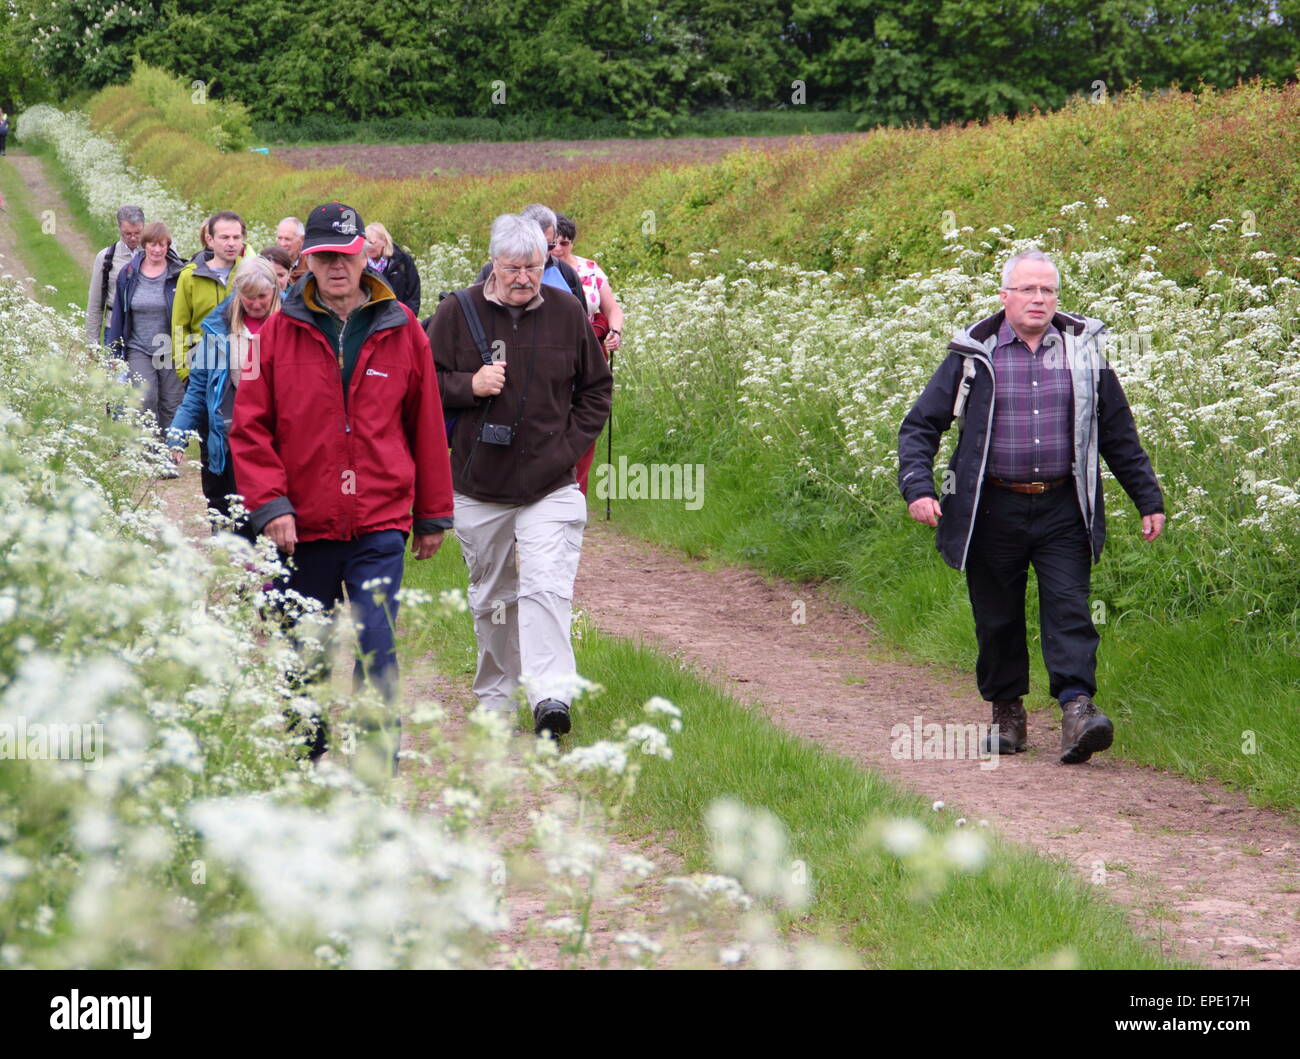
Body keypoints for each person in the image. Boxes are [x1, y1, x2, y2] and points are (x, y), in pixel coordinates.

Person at [898, 250, 1165, 764]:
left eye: (1047, 290)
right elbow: (921, 426)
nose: (1038, 299)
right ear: (1005, 297)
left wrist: (1146, 497)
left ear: (1056, 297)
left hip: (1063, 505)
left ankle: (1077, 711)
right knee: (996, 617)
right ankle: (1007, 714)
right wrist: (919, 487)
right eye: (1027, 290)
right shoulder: (973, 354)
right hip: (989, 507)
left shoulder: (1084, 352)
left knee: (1069, 607)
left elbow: (1117, 432)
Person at [230, 201, 454, 763]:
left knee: (377, 645)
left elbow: (425, 425)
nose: (337, 267)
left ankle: (379, 758)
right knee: (306, 647)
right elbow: (250, 426)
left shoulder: (403, 330)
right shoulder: (278, 333)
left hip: (379, 520)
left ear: (364, 257)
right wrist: (272, 504)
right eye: (325, 256)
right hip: (302, 525)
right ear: (307, 260)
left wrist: (430, 514)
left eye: (347, 256)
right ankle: (308, 751)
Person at [427, 213, 612, 739]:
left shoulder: (567, 311)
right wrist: (470, 385)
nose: (524, 278)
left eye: (534, 266)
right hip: (480, 486)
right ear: (494, 264)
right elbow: (423, 385)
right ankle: (495, 697)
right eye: (513, 268)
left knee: (546, 586)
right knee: (493, 597)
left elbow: (596, 389)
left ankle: (551, 696)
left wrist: (568, 448)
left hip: (550, 485)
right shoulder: (455, 314)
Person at [168, 257, 281, 538]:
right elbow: (197, 391)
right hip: (235, 434)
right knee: (239, 509)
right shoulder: (217, 330)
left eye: (262, 297)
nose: (255, 304)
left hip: (282, 435)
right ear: (237, 293)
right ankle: (242, 569)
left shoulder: (293, 325)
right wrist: (177, 435)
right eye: (248, 297)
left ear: (276, 292)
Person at [552, 212, 623, 493]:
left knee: (586, 415)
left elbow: (612, 309)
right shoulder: (534, 269)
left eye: (564, 243)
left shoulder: (590, 270)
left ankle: (576, 487)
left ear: (572, 242)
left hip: (590, 353)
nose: (558, 249)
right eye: (552, 243)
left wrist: (614, 332)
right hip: (555, 352)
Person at [104, 220, 186, 443]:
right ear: (144, 245)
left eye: (162, 245)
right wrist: (114, 352)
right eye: (152, 245)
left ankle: (170, 453)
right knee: (145, 398)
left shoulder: (179, 273)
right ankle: (150, 452)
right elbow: (119, 315)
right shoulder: (129, 273)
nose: (157, 250)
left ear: (168, 246)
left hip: (170, 348)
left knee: (171, 401)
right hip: (138, 347)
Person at [475, 204, 586, 307]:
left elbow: (579, 322)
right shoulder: (491, 271)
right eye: (533, 247)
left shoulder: (567, 274)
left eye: (548, 247)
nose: (542, 255)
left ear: (555, 237)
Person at [86, 205, 145, 344]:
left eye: (137, 233)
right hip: (114, 329)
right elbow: (95, 303)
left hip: (146, 330)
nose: (133, 238)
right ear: (119, 229)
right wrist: (92, 342)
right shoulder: (105, 257)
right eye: (127, 233)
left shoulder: (156, 254)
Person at [363, 222, 421, 316]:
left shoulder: (403, 261)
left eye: (372, 243)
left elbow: (414, 294)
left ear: (384, 241)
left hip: (401, 320)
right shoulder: (361, 266)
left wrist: (409, 318)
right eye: (365, 244)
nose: (368, 247)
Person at [276, 216, 308, 283]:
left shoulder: (310, 267)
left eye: (288, 239)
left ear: (302, 240)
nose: (282, 244)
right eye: (280, 238)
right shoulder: (268, 264)